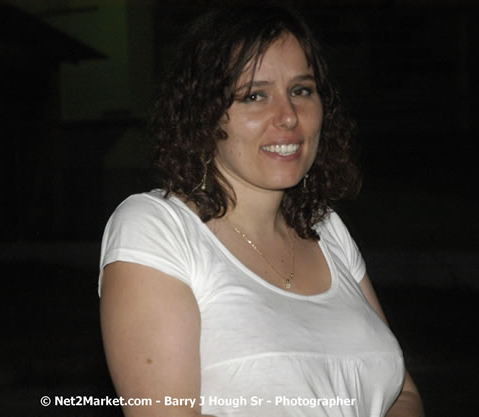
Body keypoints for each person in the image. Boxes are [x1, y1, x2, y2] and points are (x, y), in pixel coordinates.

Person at [99, 3, 424, 416]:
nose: (288, 117)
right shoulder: (158, 229)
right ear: (204, 114)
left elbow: (402, 393)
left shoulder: (327, 229)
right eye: (255, 95)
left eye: (301, 90)